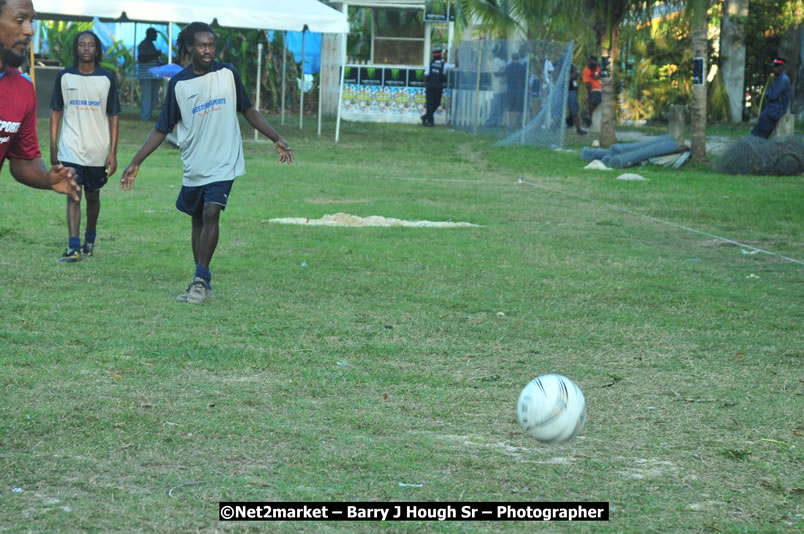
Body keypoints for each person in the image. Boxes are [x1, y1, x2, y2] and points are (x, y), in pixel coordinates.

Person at [120, 22, 293, 304]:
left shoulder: (228, 73)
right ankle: (204, 278)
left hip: (225, 159)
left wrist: (276, 137)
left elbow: (247, 109)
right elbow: (162, 127)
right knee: (198, 218)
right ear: (188, 47)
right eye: (201, 45)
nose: (208, 50)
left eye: (211, 44)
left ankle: (199, 280)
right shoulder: (179, 84)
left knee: (212, 212)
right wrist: (136, 161)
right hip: (195, 161)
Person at [50, 31, 120, 262]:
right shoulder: (64, 77)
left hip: (97, 150)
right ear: (76, 49)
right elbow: (56, 112)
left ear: (97, 50)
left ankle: (89, 240)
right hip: (70, 147)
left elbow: (113, 116)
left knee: (93, 196)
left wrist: (113, 152)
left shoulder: (107, 78)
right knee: (73, 193)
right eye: (82, 44)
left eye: (91, 45)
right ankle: (73, 246)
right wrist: (53, 145)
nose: (87, 48)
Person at [0, 0, 79, 200]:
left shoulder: (22, 88)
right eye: (19, 20)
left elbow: (23, 161)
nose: (30, 31)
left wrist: (47, 178)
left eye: (30, 21)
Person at [751, 57, 791, 139]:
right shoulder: (778, 79)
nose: (774, 69)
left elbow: (772, 95)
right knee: (758, 129)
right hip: (772, 108)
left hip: (775, 110)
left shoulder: (783, 79)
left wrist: (769, 94)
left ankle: (756, 144)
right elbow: (769, 94)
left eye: (776, 66)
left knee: (760, 132)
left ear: (781, 67)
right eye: (773, 66)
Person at [421, 48, 457, 127]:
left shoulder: (430, 64)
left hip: (430, 86)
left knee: (429, 104)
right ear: (440, 56)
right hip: (438, 87)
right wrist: (456, 54)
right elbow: (456, 65)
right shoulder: (444, 65)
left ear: (433, 57)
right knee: (437, 103)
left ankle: (426, 117)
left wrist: (425, 84)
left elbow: (426, 75)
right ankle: (429, 121)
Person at [137, 28, 162, 121]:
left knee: (154, 97)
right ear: (149, 34)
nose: (156, 36)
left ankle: (148, 116)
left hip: (154, 75)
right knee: (147, 97)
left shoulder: (151, 45)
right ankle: (145, 118)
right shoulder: (143, 45)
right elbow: (142, 58)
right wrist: (155, 54)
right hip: (146, 75)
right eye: (155, 34)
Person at [484, 45, 506, 128]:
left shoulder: (503, 61)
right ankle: (490, 122)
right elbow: (496, 73)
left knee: (501, 106)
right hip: (497, 87)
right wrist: (505, 72)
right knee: (496, 105)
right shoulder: (496, 61)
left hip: (504, 87)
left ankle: (497, 122)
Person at [504, 52, 527, 128]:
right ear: (519, 58)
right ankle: (517, 124)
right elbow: (524, 78)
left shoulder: (508, 67)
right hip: (519, 89)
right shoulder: (522, 67)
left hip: (510, 89)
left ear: (512, 58)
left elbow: (505, 77)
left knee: (511, 108)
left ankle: (511, 124)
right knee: (518, 108)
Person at [566, 65, 586, 135]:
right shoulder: (559, 64)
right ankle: (555, 128)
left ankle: (578, 129)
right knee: (558, 111)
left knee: (574, 110)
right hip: (562, 91)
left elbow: (575, 76)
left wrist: (567, 78)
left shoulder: (573, 67)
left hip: (571, 90)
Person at [582, 55, 602, 127]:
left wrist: (597, 65)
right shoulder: (586, 70)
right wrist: (589, 94)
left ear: (594, 62)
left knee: (592, 102)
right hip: (594, 90)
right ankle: (589, 117)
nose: (588, 62)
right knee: (591, 101)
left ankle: (589, 116)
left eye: (589, 61)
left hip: (601, 89)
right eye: (587, 61)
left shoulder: (599, 68)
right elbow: (587, 83)